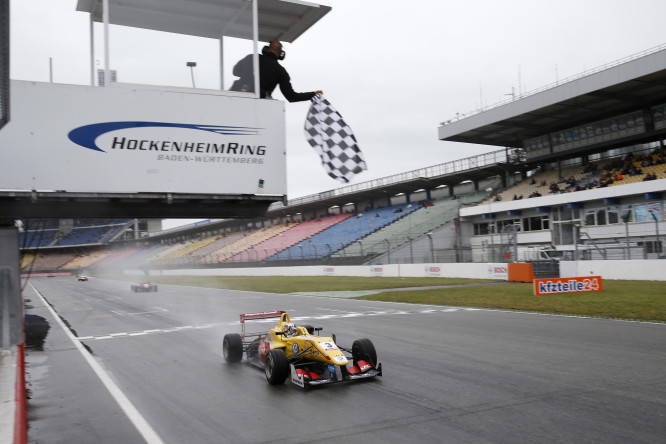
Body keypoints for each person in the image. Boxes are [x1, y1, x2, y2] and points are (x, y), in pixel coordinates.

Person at [230, 40, 322, 102]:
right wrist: (313, 94)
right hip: (258, 102)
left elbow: (235, 71)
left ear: (266, 49)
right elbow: (291, 97)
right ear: (281, 54)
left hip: (233, 96)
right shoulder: (281, 71)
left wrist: (248, 76)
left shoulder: (251, 57)